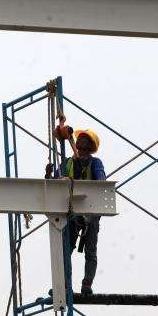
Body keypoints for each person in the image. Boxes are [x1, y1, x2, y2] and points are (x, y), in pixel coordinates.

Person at [46, 116, 106, 294]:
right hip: (71, 211)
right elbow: (56, 182)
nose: (79, 140)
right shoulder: (68, 162)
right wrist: (48, 175)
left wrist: (97, 183)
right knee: (66, 249)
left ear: (90, 146)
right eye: (79, 138)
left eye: (84, 139)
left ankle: (87, 285)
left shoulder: (95, 163)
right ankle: (65, 285)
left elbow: (102, 180)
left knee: (91, 251)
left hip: (90, 212)